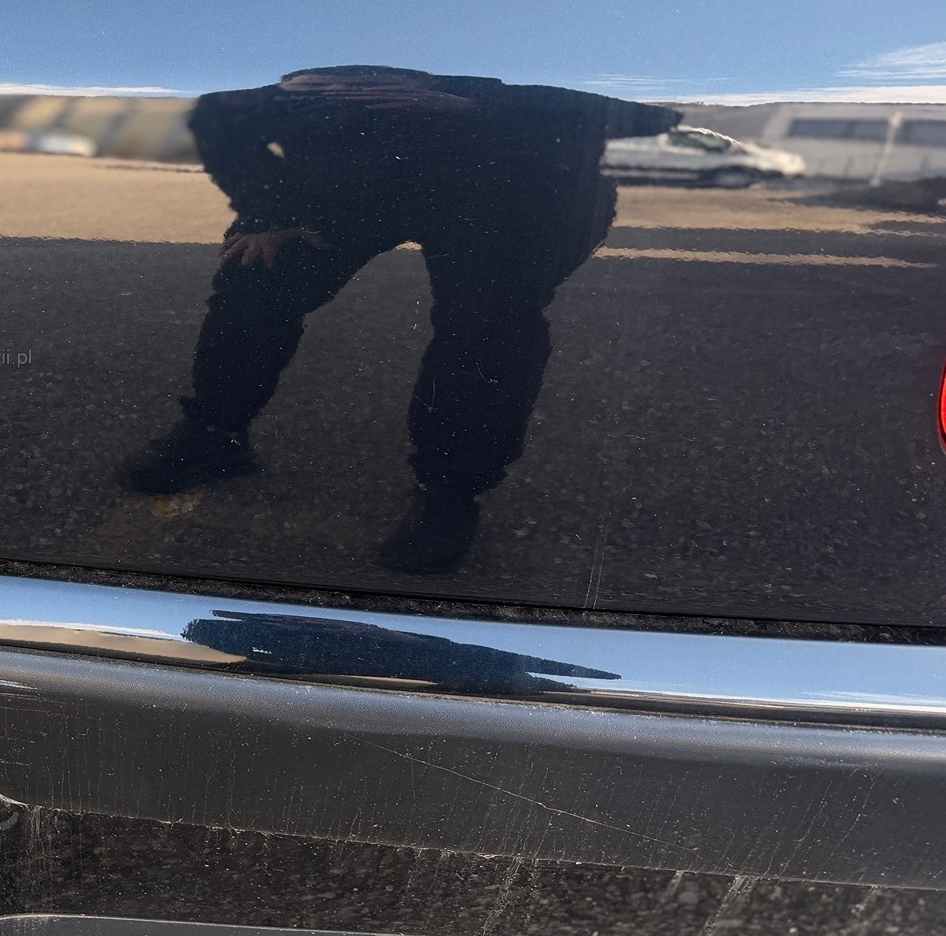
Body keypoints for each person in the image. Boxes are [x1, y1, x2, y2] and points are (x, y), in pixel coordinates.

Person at [126, 65, 676, 574]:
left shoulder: (545, 9)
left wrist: (472, 101)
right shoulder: (322, 16)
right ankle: (215, 432)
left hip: (512, 182)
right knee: (255, 277)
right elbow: (220, 114)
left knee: (487, 324)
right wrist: (269, 206)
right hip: (349, 181)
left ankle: (449, 495)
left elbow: (652, 110)